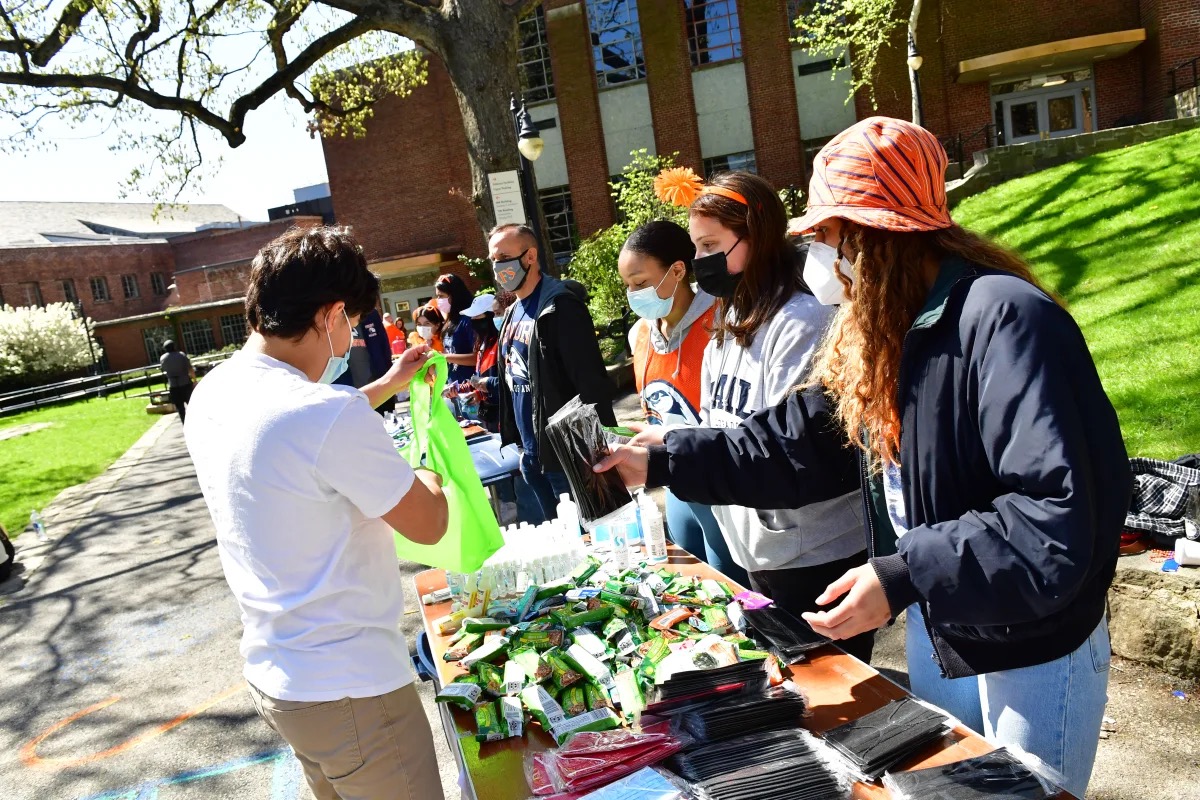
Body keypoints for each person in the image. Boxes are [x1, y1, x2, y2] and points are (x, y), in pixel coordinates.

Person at [596, 117, 1132, 797]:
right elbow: (796, 442)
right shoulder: (885, 330)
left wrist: (907, 571)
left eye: (827, 238)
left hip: (1034, 643)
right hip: (942, 619)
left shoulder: (1004, 319)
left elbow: (1053, 516)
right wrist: (669, 457)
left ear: (881, 234)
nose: (818, 259)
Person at [184, 226, 448, 800]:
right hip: (353, 687)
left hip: (282, 678)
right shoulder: (320, 413)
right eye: (351, 321)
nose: (353, 337)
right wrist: (428, 472)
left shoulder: (214, 392)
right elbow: (428, 523)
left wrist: (388, 383)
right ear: (330, 316)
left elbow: (298, 431)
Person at [634, 170, 871, 660]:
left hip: (814, 556)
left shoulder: (802, 322)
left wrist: (667, 458)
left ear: (756, 238)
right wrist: (667, 437)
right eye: (696, 248)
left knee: (828, 695)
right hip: (759, 551)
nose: (700, 261)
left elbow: (781, 447)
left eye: (708, 245)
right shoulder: (729, 316)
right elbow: (718, 422)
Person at [617, 219, 747, 588]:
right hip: (675, 486)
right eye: (628, 286)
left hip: (722, 485)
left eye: (641, 283)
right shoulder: (639, 332)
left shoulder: (724, 320)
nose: (633, 294)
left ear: (677, 270)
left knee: (734, 590)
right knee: (693, 588)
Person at [490, 223, 616, 524]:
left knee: (591, 537)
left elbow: (590, 381)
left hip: (565, 456)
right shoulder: (512, 313)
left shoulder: (560, 307)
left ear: (530, 257)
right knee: (562, 542)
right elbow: (517, 376)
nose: (498, 267)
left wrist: (600, 449)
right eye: (493, 260)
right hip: (532, 455)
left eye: (504, 257)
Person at [336, 308, 397, 414]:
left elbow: (384, 346)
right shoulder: (334, 316)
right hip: (349, 392)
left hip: (378, 387)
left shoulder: (370, 313)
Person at [435, 273, 477, 384]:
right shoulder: (451, 320)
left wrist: (444, 357)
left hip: (470, 387)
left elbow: (477, 357)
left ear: (455, 295)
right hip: (453, 387)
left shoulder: (469, 320)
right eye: (437, 296)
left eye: (441, 296)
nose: (438, 300)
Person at [158, 340, 195, 423]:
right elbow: (190, 369)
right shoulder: (181, 355)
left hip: (173, 386)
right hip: (185, 383)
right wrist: (194, 380)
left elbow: (163, 368)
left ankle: (185, 424)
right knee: (192, 405)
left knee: (180, 409)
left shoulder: (163, 358)